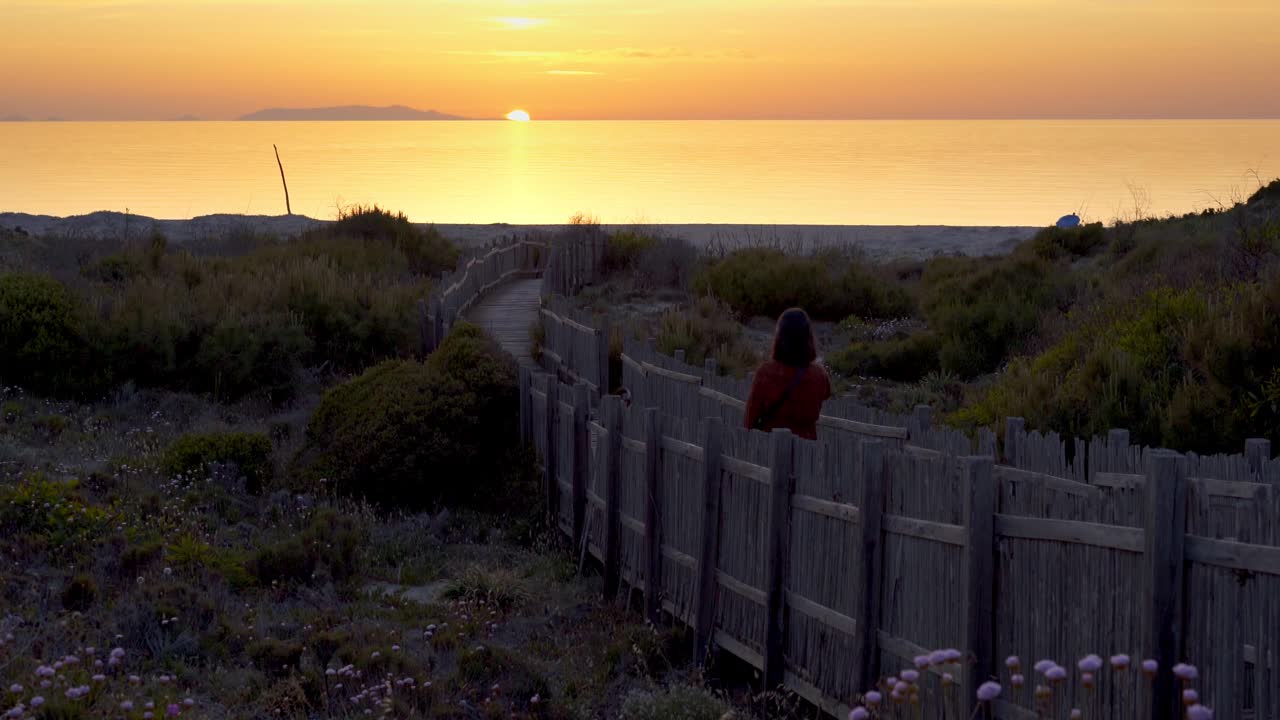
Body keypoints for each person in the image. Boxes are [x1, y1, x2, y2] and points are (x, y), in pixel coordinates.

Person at [743, 308, 831, 440]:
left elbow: (750, 420)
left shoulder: (766, 373)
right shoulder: (819, 375)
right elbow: (826, 394)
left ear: (780, 338)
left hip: (770, 449)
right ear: (808, 337)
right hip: (808, 451)